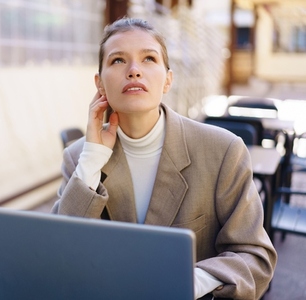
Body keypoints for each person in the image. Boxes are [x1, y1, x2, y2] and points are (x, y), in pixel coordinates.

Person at [51, 17, 277, 299]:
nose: (134, 71)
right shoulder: (78, 157)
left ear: (167, 79)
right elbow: (58, 254)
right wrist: (92, 159)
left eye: (148, 58)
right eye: (118, 60)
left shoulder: (222, 150)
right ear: (100, 84)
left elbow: (255, 257)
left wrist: (190, 280)